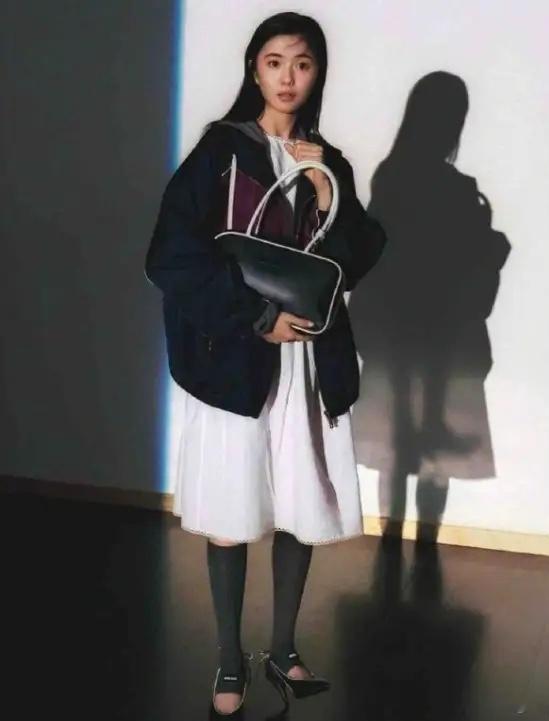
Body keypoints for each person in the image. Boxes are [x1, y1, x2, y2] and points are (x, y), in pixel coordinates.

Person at [144, 11, 387, 717]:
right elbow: (171, 257)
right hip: (235, 360)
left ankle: (282, 647)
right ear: (254, 69)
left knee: (296, 504)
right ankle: (229, 657)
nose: (288, 77)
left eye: (302, 63)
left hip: (306, 360)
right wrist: (256, 318)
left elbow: (355, 258)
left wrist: (326, 193)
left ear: (317, 73)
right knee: (232, 505)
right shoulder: (220, 152)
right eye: (274, 61)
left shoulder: (327, 159)